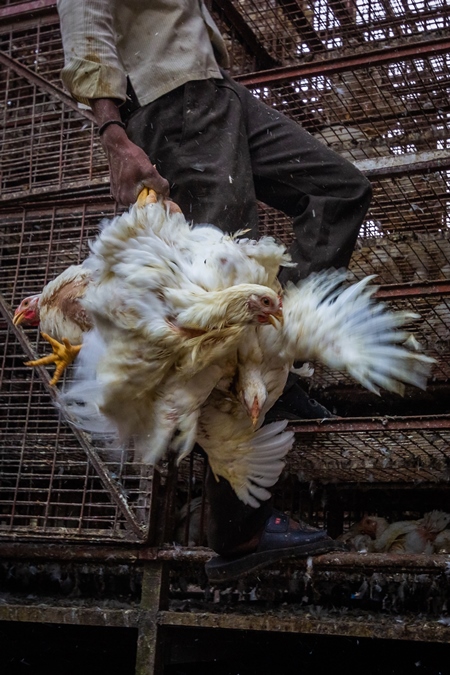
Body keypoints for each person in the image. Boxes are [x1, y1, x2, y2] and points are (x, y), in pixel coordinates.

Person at [57, 0, 372, 583]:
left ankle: (279, 360)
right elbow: (84, 18)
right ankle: (238, 530)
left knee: (339, 189)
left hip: (218, 93)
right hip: (170, 105)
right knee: (224, 288)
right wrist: (113, 133)